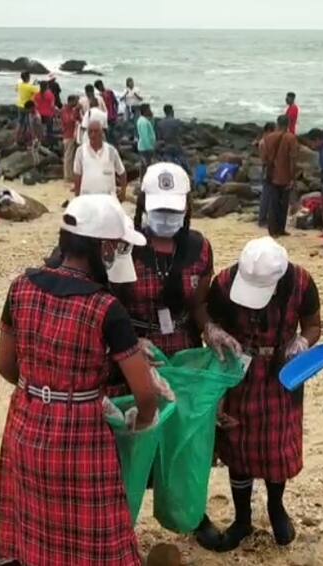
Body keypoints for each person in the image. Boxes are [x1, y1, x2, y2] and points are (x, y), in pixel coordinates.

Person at [0, 195, 156, 566]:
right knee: (96, 531)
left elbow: (5, 365)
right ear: (102, 247)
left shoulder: (21, 287)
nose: (116, 254)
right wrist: (141, 421)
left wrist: (42, 389)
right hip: (80, 432)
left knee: (37, 523)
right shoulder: (106, 308)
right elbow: (144, 392)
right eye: (115, 246)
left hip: (25, 422)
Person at [108, 162, 229, 550]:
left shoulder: (198, 248)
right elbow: (108, 302)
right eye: (158, 210)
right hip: (134, 351)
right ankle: (119, 520)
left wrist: (210, 327)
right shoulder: (125, 244)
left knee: (186, 438)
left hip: (183, 349)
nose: (165, 219)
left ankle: (189, 511)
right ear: (143, 204)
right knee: (133, 438)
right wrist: (127, 341)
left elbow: (199, 302)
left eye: (173, 211)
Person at [207, 236, 321, 551]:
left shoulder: (301, 282)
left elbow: (313, 324)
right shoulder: (226, 281)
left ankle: (276, 507)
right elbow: (211, 319)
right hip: (237, 367)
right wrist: (214, 332)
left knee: (276, 447)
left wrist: (302, 344)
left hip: (282, 373)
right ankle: (242, 517)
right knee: (237, 444)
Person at [261, 115, 298, 237]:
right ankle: (281, 229)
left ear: (277, 124)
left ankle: (273, 230)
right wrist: (293, 177)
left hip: (272, 174)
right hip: (286, 175)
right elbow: (293, 159)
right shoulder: (291, 138)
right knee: (284, 204)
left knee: (273, 203)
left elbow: (265, 158)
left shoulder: (268, 138)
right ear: (288, 124)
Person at [73, 119, 127, 198]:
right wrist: (77, 196)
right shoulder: (80, 151)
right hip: (87, 198)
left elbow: (122, 172)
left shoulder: (111, 151)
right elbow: (77, 174)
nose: (93, 134)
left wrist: (123, 192)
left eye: (96, 131)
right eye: (90, 132)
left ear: (102, 133)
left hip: (108, 198)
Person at [257, 122, 276, 228]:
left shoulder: (263, 141)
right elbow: (265, 158)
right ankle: (262, 219)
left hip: (265, 168)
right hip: (267, 168)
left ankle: (264, 218)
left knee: (267, 194)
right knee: (267, 195)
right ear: (269, 130)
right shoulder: (265, 142)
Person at [157, 104, 187, 170]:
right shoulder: (177, 121)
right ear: (172, 111)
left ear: (164, 112)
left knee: (169, 164)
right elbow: (181, 132)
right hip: (177, 145)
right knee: (183, 162)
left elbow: (159, 138)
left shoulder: (160, 123)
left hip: (167, 146)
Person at [61, 95, 80, 182]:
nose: (77, 103)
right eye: (75, 101)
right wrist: (76, 111)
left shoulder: (70, 110)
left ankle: (70, 174)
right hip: (68, 135)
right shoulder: (65, 110)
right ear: (71, 101)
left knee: (71, 156)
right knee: (68, 157)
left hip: (72, 134)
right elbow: (68, 120)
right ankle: (67, 176)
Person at [33, 81, 57, 147]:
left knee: (39, 129)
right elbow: (52, 106)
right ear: (47, 87)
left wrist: (36, 113)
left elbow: (35, 106)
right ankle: (50, 143)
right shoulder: (50, 95)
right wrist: (55, 115)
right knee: (49, 129)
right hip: (48, 115)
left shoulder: (36, 95)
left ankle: (40, 141)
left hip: (39, 115)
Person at [96, 79, 119, 144]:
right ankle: (112, 144)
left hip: (110, 116)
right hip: (107, 116)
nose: (100, 88)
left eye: (100, 86)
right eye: (98, 87)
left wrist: (116, 112)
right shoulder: (100, 96)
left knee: (110, 132)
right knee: (109, 132)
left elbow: (116, 102)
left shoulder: (108, 93)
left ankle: (113, 144)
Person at [137, 104, 157, 174]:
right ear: (145, 111)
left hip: (145, 147)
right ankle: (144, 181)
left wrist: (151, 118)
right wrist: (150, 147)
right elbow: (144, 136)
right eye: (149, 109)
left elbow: (152, 126)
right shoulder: (143, 121)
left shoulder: (145, 120)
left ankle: (143, 181)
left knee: (144, 167)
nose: (150, 111)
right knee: (147, 167)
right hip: (145, 148)